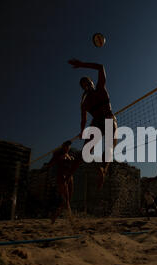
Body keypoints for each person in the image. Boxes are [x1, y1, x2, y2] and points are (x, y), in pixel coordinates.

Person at [68, 59, 118, 189]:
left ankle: (68, 175)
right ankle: (102, 169)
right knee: (109, 147)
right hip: (107, 119)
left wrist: (82, 131)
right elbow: (101, 66)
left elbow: (83, 120)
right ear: (90, 84)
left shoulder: (85, 102)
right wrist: (81, 64)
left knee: (85, 152)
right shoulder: (99, 89)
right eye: (86, 83)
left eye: (86, 83)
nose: (87, 85)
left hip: (97, 122)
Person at [47, 141, 78, 225]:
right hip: (61, 177)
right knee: (66, 199)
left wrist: (71, 158)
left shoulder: (71, 153)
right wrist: (58, 158)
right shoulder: (57, 154)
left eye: (69, 146)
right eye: (66, 146)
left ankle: (54, 217)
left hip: (70, 176)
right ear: (63, 146)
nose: (68, 147)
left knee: (67, 201)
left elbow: (75, 163)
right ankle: (71, 219)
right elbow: (49, 164)